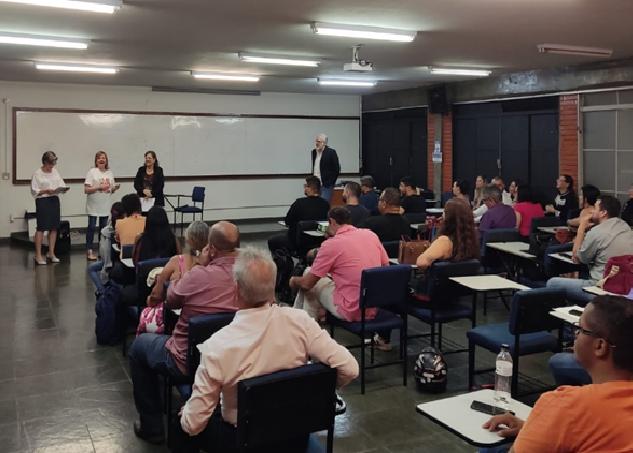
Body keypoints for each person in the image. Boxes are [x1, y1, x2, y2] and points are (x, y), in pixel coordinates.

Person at [173, 247, 359, 452]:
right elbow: (350, 368)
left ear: (235, 291)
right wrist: (315, 393)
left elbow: (193, 425)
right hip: (294, 435)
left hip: (241, 440)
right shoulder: (301, 322)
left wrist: (188, 413)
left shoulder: (216, 347)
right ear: (273, 287)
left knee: (181, 423)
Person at [130, 221, 241, 444]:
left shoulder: (199, 274)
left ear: (211, 248)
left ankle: (152, 426)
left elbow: (170, 301)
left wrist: (200, 266)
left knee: (139, 348)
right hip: (234, 358)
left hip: (184, 359)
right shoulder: (251, 273)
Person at [482, 295, 633, 453]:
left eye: (580, 329)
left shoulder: (566, 405)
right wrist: (534, 429)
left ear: (600, 346)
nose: (575, 335)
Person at [291, 207, 389, 322]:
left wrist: (293, 281)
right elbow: (385, 268)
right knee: (325, 280)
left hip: (350, 309)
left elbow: (307, 284)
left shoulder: (331, 245)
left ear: (331, 222)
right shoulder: (371, 235)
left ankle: (304, 325)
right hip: (373, 305)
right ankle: (308, 320)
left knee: (309, 275)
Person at [546, 195, 633, 303]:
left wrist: (581, 227)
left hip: (601, 287)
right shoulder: (626, 227)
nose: (591, 212)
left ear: (603, 213)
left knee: (552, 283)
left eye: (595, 209)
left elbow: (577, 259)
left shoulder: (597, 232)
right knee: (586, 270)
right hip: (626, 286)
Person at [146, 220, 209, 306]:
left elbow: (156, 295)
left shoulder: (177, 261)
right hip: (205, 311)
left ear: (189, 239)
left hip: (178, 311)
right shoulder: (216, 264)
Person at [267, 176, 330, 255]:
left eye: (305, 186)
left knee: (272, 241)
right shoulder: (326, 204)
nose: (304, 188)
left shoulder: (299, 203)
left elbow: (288, 221)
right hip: (318, 242)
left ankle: (284, 263)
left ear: (309, 188)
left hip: (298, 242)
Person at [416, 199, 480, 270]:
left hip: (442, 279)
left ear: (448, 217)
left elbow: (422, 263)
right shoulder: (473, 238)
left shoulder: (444, 241)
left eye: (444, 211)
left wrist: (425, 254)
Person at [30, 150, 68, 265]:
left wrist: (62, 189)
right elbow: (34, 190)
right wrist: (45, 190)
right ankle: (38, 255)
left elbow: (61, 184)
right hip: (43, 201)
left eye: (53, 164)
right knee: (41, 227)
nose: (52, 166)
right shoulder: (37, 173)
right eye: (50, 164)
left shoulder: (55, 171)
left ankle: (51, 253)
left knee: (54, 227)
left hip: (54, 200)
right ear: (45, 162)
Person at [84, 151, 118, 261]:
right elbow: (86, 189)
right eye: (99, 158)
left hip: (105, 205)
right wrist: (98, 188)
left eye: (103, 158)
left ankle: (101, 251)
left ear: (106, 160)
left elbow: (111, 188)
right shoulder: (92, 172)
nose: (102, 160)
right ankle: (89, 250)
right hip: (93, 205)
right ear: (96, 161)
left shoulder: (109, 173)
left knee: (103, 229)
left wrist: (114, 188)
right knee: (92, 227)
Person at [87, 201, 125, 293]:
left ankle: (101, 290)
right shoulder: (124, 227)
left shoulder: (105, 232)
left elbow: (103, 254)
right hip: (116, 263)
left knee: (91, 268)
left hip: (108, 264)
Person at [311, 133, 340, 202]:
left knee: (324, 204)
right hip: (315, 184)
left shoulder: (331, 152)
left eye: (318, 141)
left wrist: (331, 182)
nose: (316, 143)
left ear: (324, 143)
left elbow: (336, 169)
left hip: (326, 185)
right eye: (316, 141)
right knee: (315, 204)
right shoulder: (314, 152)